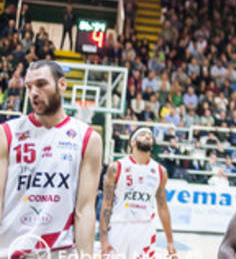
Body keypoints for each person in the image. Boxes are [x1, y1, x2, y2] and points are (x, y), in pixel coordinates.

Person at [0, 60, 103, 257]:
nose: (33, 92)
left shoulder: (88, 138)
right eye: (29, 87)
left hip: (59, 250)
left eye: (41, 84)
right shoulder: (7, 133)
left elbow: (84, 210)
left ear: (62, 85)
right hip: (11, 250)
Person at [100, 127, 176, 259]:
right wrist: (103, 238)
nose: (148, 136)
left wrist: (170, 241)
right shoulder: (116, 167)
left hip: (145, 229)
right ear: (132, 142)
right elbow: (106, 204)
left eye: (150, 135)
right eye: (142, 134)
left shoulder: (160, 171)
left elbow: (163, 206)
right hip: (119, 226)